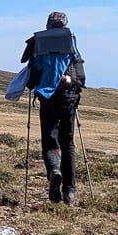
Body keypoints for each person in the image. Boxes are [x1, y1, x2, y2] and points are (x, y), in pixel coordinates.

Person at [20, 11, 85, 204]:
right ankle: (69, 191)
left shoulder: (38, 44)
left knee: (50, 143)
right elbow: (80, 78)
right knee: (68, 144)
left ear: (48, 26)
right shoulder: (71, 44)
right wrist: (69, 82)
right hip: (69, 99)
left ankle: (54, 172)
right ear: (65, 26)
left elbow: (31, 80)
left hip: (48, 100)